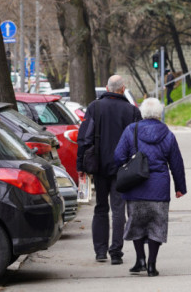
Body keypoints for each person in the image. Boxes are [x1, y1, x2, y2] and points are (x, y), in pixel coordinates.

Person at [114, 97, 187, 277]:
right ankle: (152, 266)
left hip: (135, 186)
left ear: (142, 113)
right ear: (159, 114)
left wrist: (128, 166)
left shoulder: (131, 130)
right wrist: (180, 187)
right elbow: (176, 162)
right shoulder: (168, 134)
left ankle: (140, 260)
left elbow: (118, 156)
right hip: (159, 188)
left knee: (136, 223)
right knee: (157, 226)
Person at [77, 75, 142, 264]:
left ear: (107, 88)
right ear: (123, 89)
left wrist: (80, 165)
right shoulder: (131, 111)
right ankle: (116, 252)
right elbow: (137, 142)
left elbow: (84, 138)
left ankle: (100, 251)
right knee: (118, 209)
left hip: (98, 165)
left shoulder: (95, 108)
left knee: (100, 208)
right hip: (123, 168)